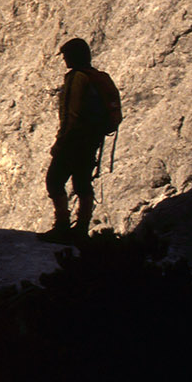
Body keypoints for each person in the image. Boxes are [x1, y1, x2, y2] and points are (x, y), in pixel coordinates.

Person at [37, 38, 114, 244]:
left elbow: (71, 114)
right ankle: (81, 228)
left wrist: (60, 142)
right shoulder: (95, 77)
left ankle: (62, 226)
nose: (64, 60)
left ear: (73, 56)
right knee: (82, 182)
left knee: (54, 180)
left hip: (73, 140)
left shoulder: (76, 78)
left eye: (65, 55)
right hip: (91, 140)